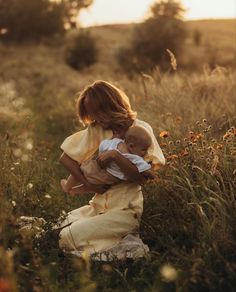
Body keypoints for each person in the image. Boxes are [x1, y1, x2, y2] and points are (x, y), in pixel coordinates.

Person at [58, 80, 165, 259]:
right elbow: (65, 159)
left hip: (124, 209)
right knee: (58, 227)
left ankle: (126, 245)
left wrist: (116, 156)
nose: (94, 119)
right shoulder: (98, 129)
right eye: (90, 115)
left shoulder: (140, 130)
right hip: (97, 205)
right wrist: (89, 186)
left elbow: (142, 178)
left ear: (109, 106)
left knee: (66, 238)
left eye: (95, 113)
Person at [60, 125, 155, 196]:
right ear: (131, 146)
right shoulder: (135, 158)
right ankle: (74, 190)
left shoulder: (116, 142)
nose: (145, 153)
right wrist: (152, 175)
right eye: (144, 149)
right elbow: (145, 170)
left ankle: (68, 186)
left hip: (100, 169)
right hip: (109, 178)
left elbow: (103, 146)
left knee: (81, 171)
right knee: (97, 185)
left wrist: (101, 155)